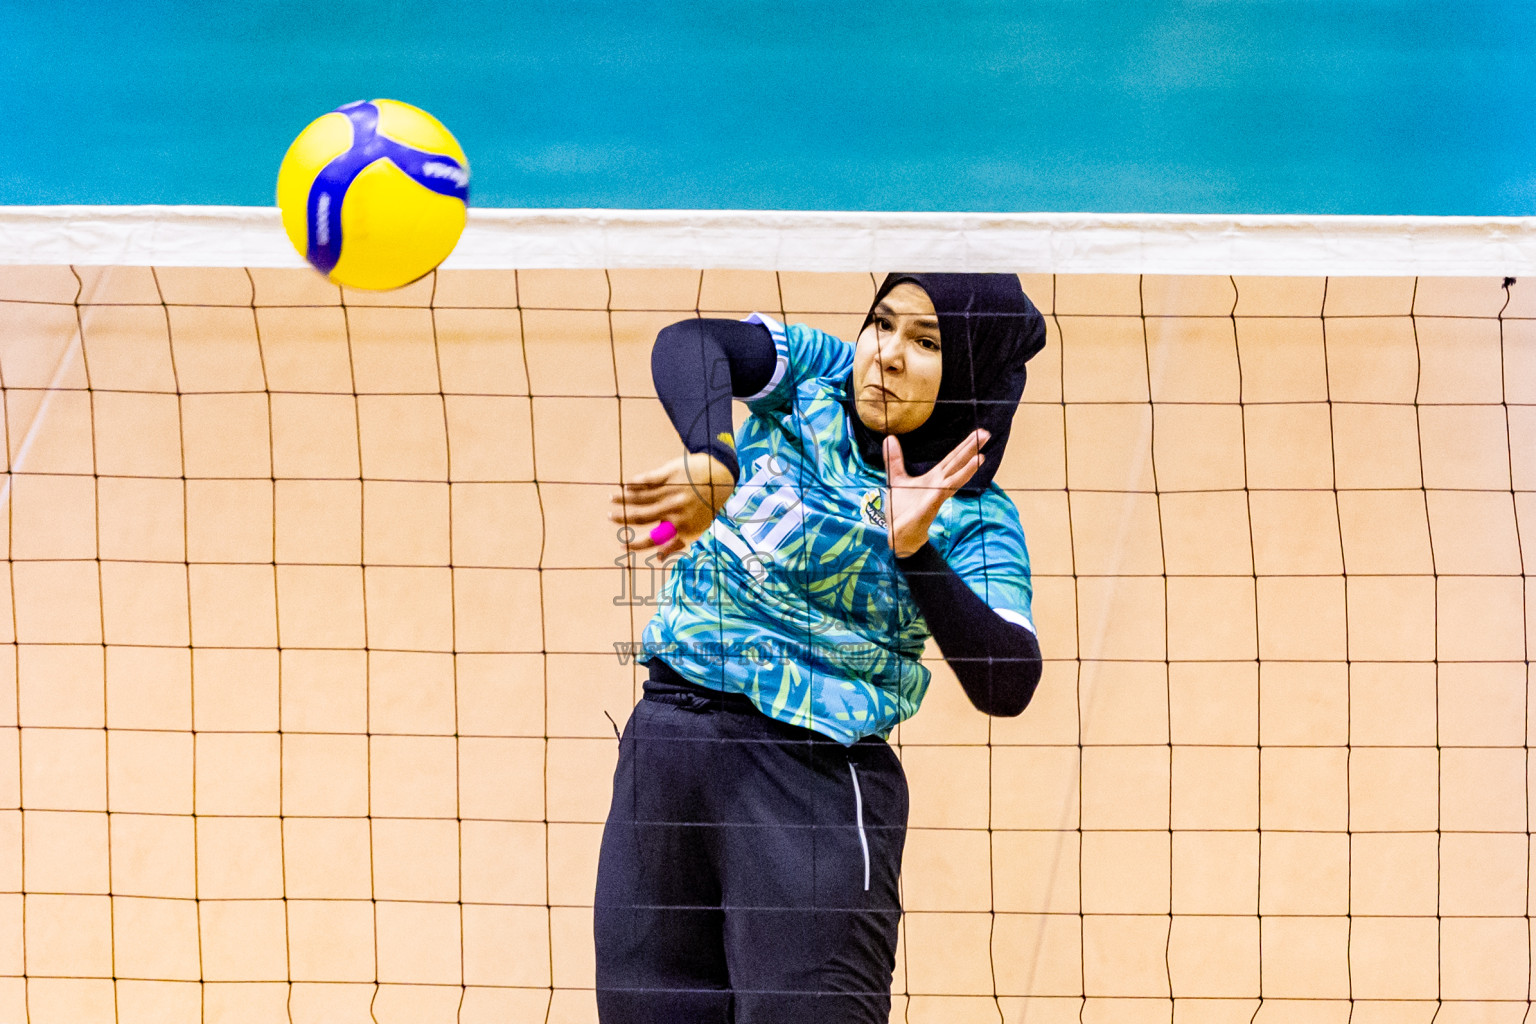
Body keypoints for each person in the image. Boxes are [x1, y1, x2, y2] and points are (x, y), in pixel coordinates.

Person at [596, 273, 1047, 1023]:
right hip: (668, 751)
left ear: (969, 367)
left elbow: (1009, 681)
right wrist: (713, 456)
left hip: (808, 785)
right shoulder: (816, 376)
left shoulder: (975, 515)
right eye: (882, 323)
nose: (887, 356)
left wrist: (915, 551)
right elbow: (691, 342)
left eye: (926, 343)